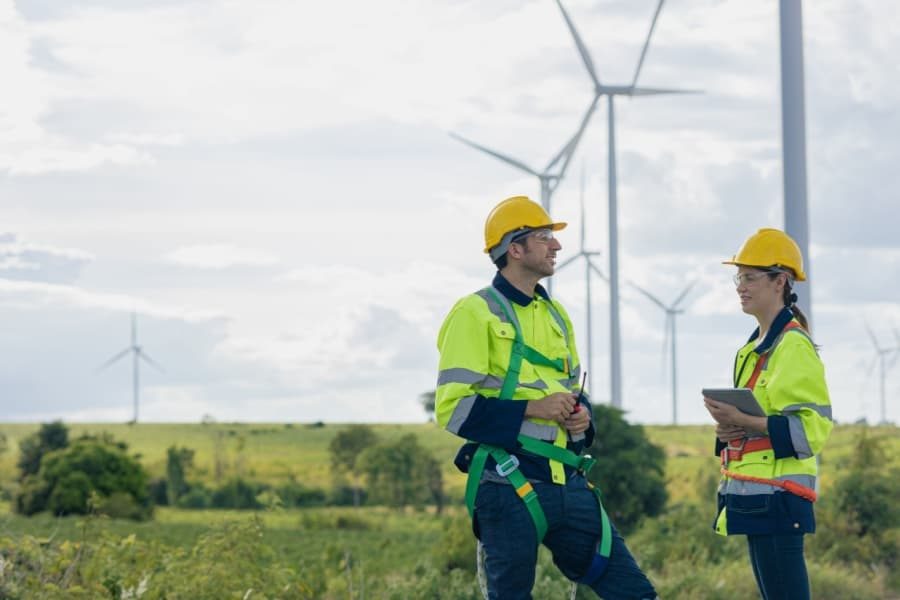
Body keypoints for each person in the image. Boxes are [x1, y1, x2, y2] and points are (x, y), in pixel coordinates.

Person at [435, 195, 657, 600]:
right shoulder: (474, 312)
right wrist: (533, 408)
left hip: (566, 480)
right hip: (506, 484)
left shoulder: (557, 315)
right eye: (543, 238)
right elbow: (452, 409)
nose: (556, 247)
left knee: (634, 592)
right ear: (514, 249)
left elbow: (574, 389)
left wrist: (582, 417)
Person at [704, 228, 833, 600]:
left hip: (780, 498)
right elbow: (763, 418)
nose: (740, 287)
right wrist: (729, 429)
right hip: (756, 498)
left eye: (750, 278)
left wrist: (743, 422)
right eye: (738, 278)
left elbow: (810, 431)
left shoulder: (792, 345)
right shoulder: (753, 348)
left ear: (780, 282)